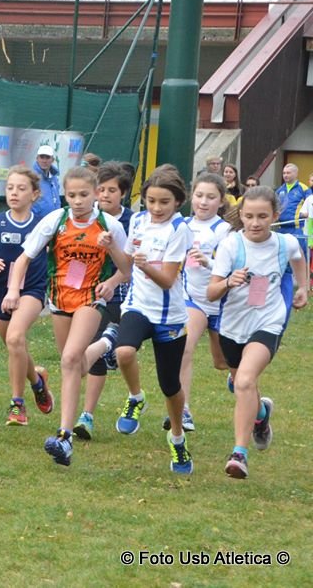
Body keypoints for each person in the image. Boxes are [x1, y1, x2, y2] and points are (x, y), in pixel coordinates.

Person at [4, 167, 131, 466]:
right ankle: (107, 343)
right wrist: (13, 290)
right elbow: (23, 259)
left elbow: (126, 270)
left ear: (96, 194)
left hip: (91, 299)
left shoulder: (109, 225)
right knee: (74, 365)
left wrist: (111, 273)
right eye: (71, 195)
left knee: (70, 359)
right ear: (65, 195)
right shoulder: (56, 220)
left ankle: (64, 437)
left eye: (84, 195)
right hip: (60, 299)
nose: (77, 201)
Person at [207, 186, 308, 478]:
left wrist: (303, 287)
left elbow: (298, 258)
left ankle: (239, 454)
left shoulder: (285, 243)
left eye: (262, 216)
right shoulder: (231, 246)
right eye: (249, 216)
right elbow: (211, 292)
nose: (255, 223)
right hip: (232, 327)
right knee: (242, 383)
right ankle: (261, 415)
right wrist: (229, 282)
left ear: (275, 216)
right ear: (241, 215)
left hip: (268, 322)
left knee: (244, 381)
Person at [113, 165, 194, 474]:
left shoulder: (179, 229)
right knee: (123, 352)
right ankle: (135, 397)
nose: (157, 208)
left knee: (170, 385)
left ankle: (177, 438)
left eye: (164, 202)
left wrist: (145, 266)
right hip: (138, 306)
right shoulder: (137, 221)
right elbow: (126, 266)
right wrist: (111, 248)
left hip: (170, 317)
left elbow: (168, 280)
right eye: (151, 201)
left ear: (178, 202)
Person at [0, 165, 53, 426]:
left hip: (32, 291)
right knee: (15, 345)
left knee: (15, 338)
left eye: (21, 188)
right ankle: (38, 382)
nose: (14, 193)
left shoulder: (44, 225)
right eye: (10, 188)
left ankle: (17, 405)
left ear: (35, 194)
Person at [73, 162, 134, 440]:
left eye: (112, 190)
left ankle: (87, 414)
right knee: (83, 352)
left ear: (123, 193)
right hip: (86, 291)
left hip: (122, 293)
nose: (105, 195)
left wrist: (112, 281)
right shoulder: (86, 217)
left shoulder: (132, 222)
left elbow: (130, 265)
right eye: (101, 189)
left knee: (97, 346)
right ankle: (110, 343)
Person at [170, 173, 231, 432]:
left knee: (223, 363)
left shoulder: (224, 230)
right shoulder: (181, 225)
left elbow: (232, 269)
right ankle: (183, 410)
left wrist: (208, 262)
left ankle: (256, 403)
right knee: (185, 347)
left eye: (210, 197)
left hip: (223, 302)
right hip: (193, 299)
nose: (203, 202)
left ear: (221, 201)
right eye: (199, 195)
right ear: (190, 196)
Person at [275, 162, 310, 261]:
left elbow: (310, 205)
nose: (285, 175)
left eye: (288, 173)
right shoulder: (279, 190)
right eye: (284, 173)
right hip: (281, 229)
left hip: (297, 229)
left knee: (299, 258)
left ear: (296, 173)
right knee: (283, 258)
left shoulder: (303, 189)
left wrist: (305, 214)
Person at [31, 144, 62, 217]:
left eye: (47, 157)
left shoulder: (54, 178)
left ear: (52, 160)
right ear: (37, 158)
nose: (44, 161)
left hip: (54, 219)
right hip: (38, 220)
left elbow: (56, 199)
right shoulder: (32, 177)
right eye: (42, 157)